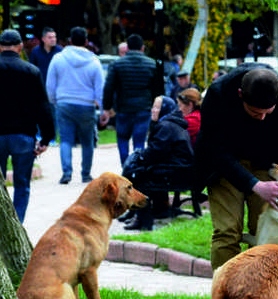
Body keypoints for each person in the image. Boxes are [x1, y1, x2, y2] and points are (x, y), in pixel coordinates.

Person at [193, 63, 278, 270]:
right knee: (227, 231)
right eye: (255, 112)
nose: (262, 118)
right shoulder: (218, 93)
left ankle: (260, 285)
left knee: (263, 231)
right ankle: (224, 287)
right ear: (240, 95)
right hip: (224, 165)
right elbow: (213, 149)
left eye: (268, 112)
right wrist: (254, 184)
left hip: (266, 163)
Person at [0, 29, 55, 222]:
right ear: (20, 47)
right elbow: (42, 106)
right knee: (22, 184)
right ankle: (18, 223)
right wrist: (46, 138)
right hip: (23, 134)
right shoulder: (31, 71)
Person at [122, 96, 193, 231]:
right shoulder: (168, 123)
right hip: (180, 170)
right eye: (153, 107)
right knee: (141, 170)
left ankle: (144, 221)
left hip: (178, 173)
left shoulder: (166, 126)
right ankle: (151, 211)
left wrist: (140, 159)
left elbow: (156, 152)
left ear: (165, 109)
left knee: (138, 176)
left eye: (156, 107)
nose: (153, 110)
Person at [46, 26, 105, 184]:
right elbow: (100, 89)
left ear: (70, 41)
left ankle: (66, 173)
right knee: (87, 141)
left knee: (65, 139)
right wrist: (102, 109)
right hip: (86, 105)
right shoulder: (94, 61)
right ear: (86, 42)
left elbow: (50, 84)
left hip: (64, 103)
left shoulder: (58, 59)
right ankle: (86, 174)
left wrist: (54, 101)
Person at [103, 33, 157, 166]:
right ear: (142, 48)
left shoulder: (117, 64)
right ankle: (137, 168)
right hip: (143, 107)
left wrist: (107, 107)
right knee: (139, 140)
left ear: (127, 48)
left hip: (123, 108)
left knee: (122, 139)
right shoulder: (151, 64)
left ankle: (125, 167)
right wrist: (155, 106)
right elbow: (156, 89)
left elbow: (109, 87)